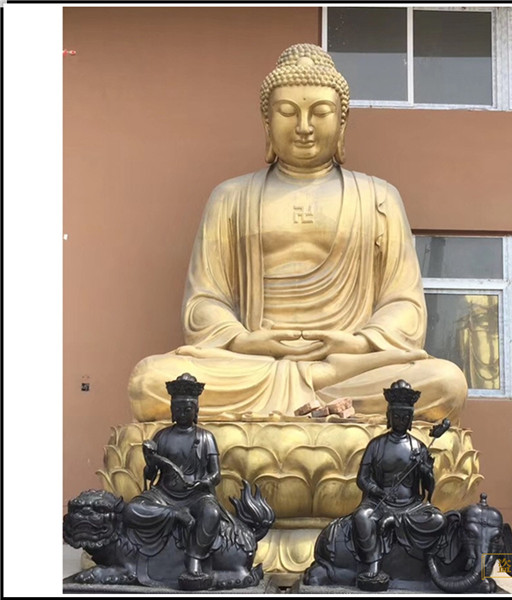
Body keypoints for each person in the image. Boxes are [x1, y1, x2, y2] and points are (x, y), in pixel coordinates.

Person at [128, 43, 467, 424]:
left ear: (342, 122)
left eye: (320, 113)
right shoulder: (231, 197)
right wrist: (242, 339)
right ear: (266, 121)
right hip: (256, 367)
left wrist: (359, 343)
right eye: (288, 112)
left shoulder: (378, 197)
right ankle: (320, 409)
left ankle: (310, 402)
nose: (304, 127)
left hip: (344, 370)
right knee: (149, 381)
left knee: (445, 382)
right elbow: (204, 301)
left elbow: (404, 303)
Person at [123, 373, 232, 590]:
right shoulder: (162, 436)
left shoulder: (205, 437)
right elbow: (151, 475)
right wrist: (150, 461)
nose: (183, 413)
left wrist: (203, 483)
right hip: (164, 494)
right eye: (178, 408)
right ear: (172, 410)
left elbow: (216, 475)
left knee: (211, 513)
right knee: (132, 509)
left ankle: (194, 560)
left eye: (188, 409)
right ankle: (175, 515)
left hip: (196, 494)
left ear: (196, 410)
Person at [351, 379, 446, 590]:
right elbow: (362, 478)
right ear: (389, 416)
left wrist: (426, 471)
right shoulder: (376, 445)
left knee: (439, 519)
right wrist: (377, 490)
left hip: (411, 506)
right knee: (362, 517)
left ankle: (396, 521)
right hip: (380, 502)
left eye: (405, 417)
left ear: (411, 418)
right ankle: (373, 564)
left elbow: (429, 488)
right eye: (397, 416)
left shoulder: (418, 447)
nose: (401, 421)